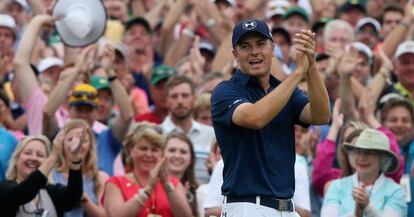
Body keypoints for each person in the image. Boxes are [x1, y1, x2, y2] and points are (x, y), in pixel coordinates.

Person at [211, 18, 330, 216]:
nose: (254, 51)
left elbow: (321, 115)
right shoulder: (225, 91)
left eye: (260, 44)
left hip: (287, 208)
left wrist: (311, 67)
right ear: (235, 54)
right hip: (246, 207)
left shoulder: (284, 90)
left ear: (272, 48)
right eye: (245, 46)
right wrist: (298, 73)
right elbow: (255, 118)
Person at [103, 122, 192, 217]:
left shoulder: (173, 183)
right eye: (143, 149)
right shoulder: (116, 183)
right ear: (130, 150)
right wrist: (148, 189)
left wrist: (166, 185)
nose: (149, 155)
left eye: (154, 150)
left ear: (162, 153)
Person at [321, 129, 407, 217]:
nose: (362, 157)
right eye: (358, 151)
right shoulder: (337, 187)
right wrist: (355, 214)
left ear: (382, 158)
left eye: (369, 153)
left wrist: (367, 208)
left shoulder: (396, 191)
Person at [0, 132, 83, 216]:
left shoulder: (51, 191)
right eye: (27, 153)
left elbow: (73, 197)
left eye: (40, 155)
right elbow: (23, 193)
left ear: (45, 162)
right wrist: (54, 156)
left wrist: (75, 158)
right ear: (16, 160)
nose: (33, 158)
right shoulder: (5, 189)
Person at [52, 119, 109, 217]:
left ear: (90, 145)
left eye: (83, 141)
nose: (77, 145)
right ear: (62, 145)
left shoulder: (100, 177)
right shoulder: (51, 175)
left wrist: (81, 196)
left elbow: (104, 215)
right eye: (70, 139)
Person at [164, 132, 199, 216]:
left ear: (191, 159)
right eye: (172, 150)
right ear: (162, 154)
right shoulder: (150, 186)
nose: (177, 156)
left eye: (183, 152)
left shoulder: (197, 191)